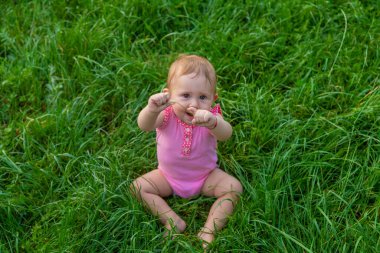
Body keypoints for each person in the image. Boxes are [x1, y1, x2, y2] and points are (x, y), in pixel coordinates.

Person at [131, 54, 243, 247]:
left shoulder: (211, 117)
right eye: (185, 95)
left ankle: (209, 230)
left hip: (205, 177)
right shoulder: (165, 115)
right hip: (167, 177)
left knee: (234, 189)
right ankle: (172, 220)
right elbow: (144, 125)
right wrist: (151, 109)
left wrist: (213, 122)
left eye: (202, 97)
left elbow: (226, 134)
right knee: (138, 188)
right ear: (169, 96)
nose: (194, 104)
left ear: (213, 99)